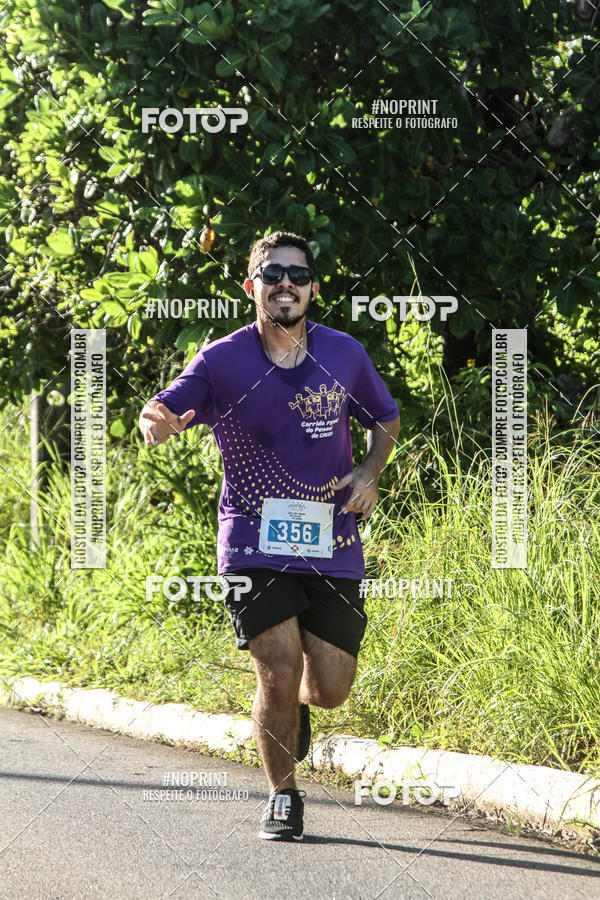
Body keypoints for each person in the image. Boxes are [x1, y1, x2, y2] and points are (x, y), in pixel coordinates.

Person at [138, 231, 400, 841]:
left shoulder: (344, 354)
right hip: (253, 540)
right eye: (272, 273)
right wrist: (157, 418)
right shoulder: (222, 360)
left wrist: (369, 471)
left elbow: (384, 417)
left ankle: (294, 716)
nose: (287, 283)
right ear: (252, 286)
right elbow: (170, 403)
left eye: (298, 275)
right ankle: (283, 794)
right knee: (277, 670)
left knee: (329, 689)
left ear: (312, 288)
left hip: (332, 541)